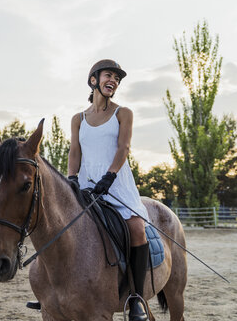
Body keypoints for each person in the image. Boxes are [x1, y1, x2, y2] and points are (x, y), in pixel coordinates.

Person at [67, 59, 150, 321]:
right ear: (94, 80)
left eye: (116, 78)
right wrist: (71, 178)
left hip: (117, 186)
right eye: (108, 75)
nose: (112, 80)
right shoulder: (78, 119)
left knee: (137, 228)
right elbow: (74, 152)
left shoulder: (123, 113)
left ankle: (136, 297)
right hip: (86, 188)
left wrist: (109, 177)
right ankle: (55, 288)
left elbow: (123, 149)